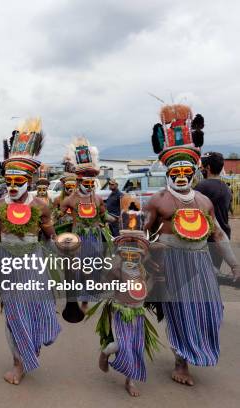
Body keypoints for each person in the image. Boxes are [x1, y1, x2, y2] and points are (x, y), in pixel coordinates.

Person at [146, 103, 240, 386]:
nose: (182, 176)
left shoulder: (204, 202)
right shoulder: (158, 200)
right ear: (168, 172)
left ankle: (193, 351)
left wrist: (235, 265)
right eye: (176, 171)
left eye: (187, 170)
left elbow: (219, 236)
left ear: (195, 170)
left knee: (212, 310)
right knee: (182, 313)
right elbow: (141, 234)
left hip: (200, 262)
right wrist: (146, 262)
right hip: (172, 264)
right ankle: (181, 362)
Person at [0, 117, 60, 385]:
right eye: (9, 179)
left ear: (29, 179)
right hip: (6, 262)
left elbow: (51, 238)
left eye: (19, 179)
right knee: (14, 313)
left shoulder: (41, 206)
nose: (13, 184)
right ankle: (18, 363)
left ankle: (33, 346)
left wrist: (65, 249)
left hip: (35, 262)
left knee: (38, 310)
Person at [96, 227, 158, 397]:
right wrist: (113, 267)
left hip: (138, 314)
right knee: (121, 345)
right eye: (127, 251)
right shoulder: (118, 268)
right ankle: (105, 352)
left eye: (137, 251)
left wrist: (155, 280)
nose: (131, 255)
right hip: (121, 312)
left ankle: (129, 380)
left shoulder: (144, 271)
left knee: (135, 348)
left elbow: (146, 291)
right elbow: (106, 281)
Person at [60, 137, 110, 311]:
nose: (89, 186)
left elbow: (104, 216)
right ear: (79, 182)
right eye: (85, 183)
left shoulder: (97, 199)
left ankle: (87, 298)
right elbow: (59, 217)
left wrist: (114, 219)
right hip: (78, 237)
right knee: (78, 268)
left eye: (91, 183)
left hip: (95, 237)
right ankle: (80, 296)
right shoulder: (70, 200)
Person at [195, 151, 232, 269]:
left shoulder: (201, 187)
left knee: (203, 276)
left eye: (202, 167)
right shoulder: (226, 187)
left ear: (208, 167)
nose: (201, 169)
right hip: (223, 237)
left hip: (207, 239)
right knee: (214, 273)